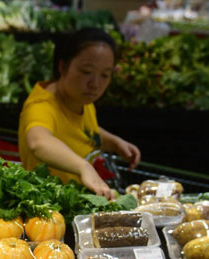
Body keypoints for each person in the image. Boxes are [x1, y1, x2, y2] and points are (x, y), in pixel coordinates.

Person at [18, 28, 140, 200]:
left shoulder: (81, 100)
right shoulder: (41, 106)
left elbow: (79, 129)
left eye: (105, 75)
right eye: (86, 72)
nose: (95, 84)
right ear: (62, 66)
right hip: (50, 210)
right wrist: (84, 167)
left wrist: (113, 142)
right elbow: (39, 141)